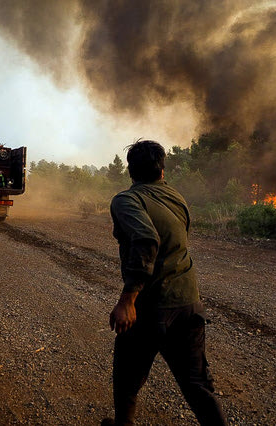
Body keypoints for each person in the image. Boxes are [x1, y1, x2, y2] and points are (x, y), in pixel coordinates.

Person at [103, 140, 226, 426]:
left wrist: (127, 301)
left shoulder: (127, 200)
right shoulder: (176, 196)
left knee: (127, 378)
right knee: (197, 385)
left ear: (130, 171)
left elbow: (147, 240)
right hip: (190, 303)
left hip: (153, 306)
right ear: (162, 170)